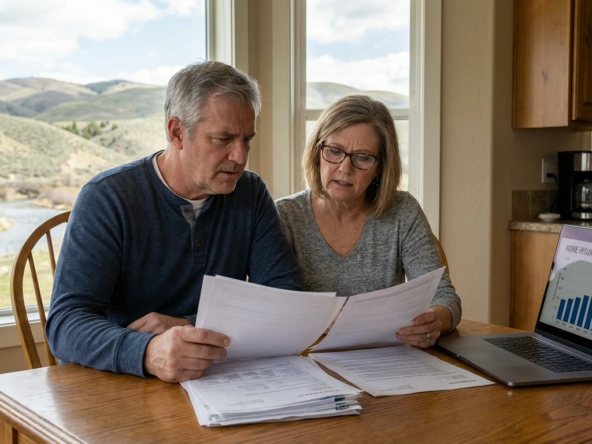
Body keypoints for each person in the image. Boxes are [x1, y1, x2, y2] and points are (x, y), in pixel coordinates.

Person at [46, 61, 304, 382]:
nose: (240, 156)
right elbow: (66, 324)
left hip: (218, 379)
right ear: (177, 132)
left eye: (246, 139)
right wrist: (148, 350)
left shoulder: (249, 193)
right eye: (223, 139)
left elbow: (286, 299)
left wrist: (187, 325)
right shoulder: (107, 197)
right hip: (121, 383)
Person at [275, 95, 461, 348]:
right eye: (334, 151)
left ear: (380, 167)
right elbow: (273, 306)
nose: (344, 168)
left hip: (384, 360)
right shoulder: (284, 216)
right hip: (305, 361)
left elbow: (444, 296)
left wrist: (434, 321)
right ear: (317, 152)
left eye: (362, 157)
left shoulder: (402, 211)